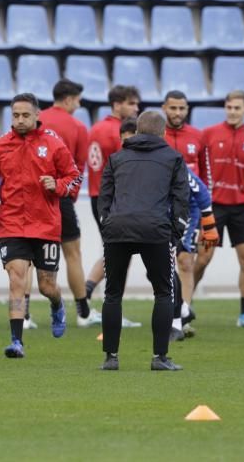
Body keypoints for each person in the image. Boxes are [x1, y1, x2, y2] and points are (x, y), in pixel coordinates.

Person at [0, 93, 82, 358]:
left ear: (37, 115)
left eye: (25, 115)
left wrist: (57, 185)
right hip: (11, 223)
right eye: (16, 115)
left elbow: (74, 177)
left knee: (47, 285)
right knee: (16, 279)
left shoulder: (54, 144)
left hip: (46, 225)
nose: (20, 120)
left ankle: (57, 304)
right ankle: (17, 341)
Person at [97, 111, 190, 371]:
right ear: (163, 133)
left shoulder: (116, 158)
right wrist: (175, 232)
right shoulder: (174, 158)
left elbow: (104, 197)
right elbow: (181, 199)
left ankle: (111, 358)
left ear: (136, 131)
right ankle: (160, 358)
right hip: (155, 230)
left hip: (118, 229)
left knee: (112, 294)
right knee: (163, 293)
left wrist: (107, 223)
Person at [195, 90, 244, 328]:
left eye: (237, 108)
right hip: (212, 206)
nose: (233, 112)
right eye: (229, 107)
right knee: (203, 257)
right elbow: (195, 167)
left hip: (240, 208)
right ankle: (184, 303)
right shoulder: (208, 135)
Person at [38, 79, 99, 327]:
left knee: (30, 255)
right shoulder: (77, 126)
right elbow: (78, 167)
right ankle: (83, 313)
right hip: (60, 197)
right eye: (77, 100)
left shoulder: (34, 119)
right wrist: (69, 195)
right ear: (68, 99)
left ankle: (27, 315)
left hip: (31, 198)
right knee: (73, 254)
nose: (79, 104)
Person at [85, 85, 141, 328]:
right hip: (117, 199)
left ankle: (84, 296)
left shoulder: (96, 129)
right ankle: (107, 308)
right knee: (121, 255)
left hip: (98, 197)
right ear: (117, 104)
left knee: (114, 252)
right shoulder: (119, 132)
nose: (136, 108)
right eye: (131, 103)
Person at [162, 90, 205, 335]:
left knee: (185, 260)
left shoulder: (198, 137)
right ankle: (175, 309)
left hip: (190, 209)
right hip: (161, 208)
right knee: (163, 262)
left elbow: (205, 177)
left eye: (182, 108)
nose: (177, 113)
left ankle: (184, 311)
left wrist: (208, 214)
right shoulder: (157, 135)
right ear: (164, 108)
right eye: (173, 108)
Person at [170, 170, 218, 342]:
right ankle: (181, 310)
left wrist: (209, 225)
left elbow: (202, 191)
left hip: (187, 212)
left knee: (184, 260)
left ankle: (181, 315)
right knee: (159, 264)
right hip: (162, 213)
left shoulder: (174, 162)